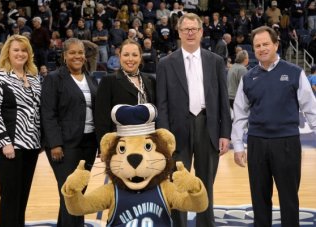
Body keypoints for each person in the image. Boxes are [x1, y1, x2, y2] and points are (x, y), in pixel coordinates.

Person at [231, 26, 316, 227]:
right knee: (259, 199)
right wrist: (237, 146)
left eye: (265, 44)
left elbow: (311, 108)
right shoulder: (248, 78)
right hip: (257, 144)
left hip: (287, 143)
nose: (261, 48)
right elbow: (240, 114)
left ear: (276, 44)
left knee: (288, 199)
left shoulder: (294, 72)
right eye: (257, 45)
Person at [156, 13, 232, 227]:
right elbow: (161, 104)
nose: (190, 33)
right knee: (178, 183)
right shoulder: (165, 63)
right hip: (177, 129)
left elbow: (222, 100)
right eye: (185, 29)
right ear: (179, 32)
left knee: (205, 182)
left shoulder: (215, 61)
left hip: (207, 126)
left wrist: (225, 133)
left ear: (201, 32)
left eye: (194, 29)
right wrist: (164, 136)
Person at [41, 38, 98, 227]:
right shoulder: (54, 78)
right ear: (64, 56)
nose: (77, 56)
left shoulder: (89, 77)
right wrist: (55, 144)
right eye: (72, 52)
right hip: (65, 145)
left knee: (77, 194)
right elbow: (48, 113)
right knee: (70, 193)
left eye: (80, 52)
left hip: (88, 143)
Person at [0, 34, 41, 227]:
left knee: (23, 195)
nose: (20, 53)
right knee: (10, 194)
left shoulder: (34, 78)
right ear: (7, 52)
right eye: (16, 50)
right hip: (10, 145)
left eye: (24, 50)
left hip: (32, 145)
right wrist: (4, 142)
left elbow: (37, 110)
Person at [95, 39, 156, 144]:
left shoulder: (151, 80)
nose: (130, 59)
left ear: (140, 57)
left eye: (135, 55)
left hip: (148, 142)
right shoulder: (108, 81)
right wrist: (104, 147)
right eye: (126, 55)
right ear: (120, 57)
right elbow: (101, 119)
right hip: (121, 145)